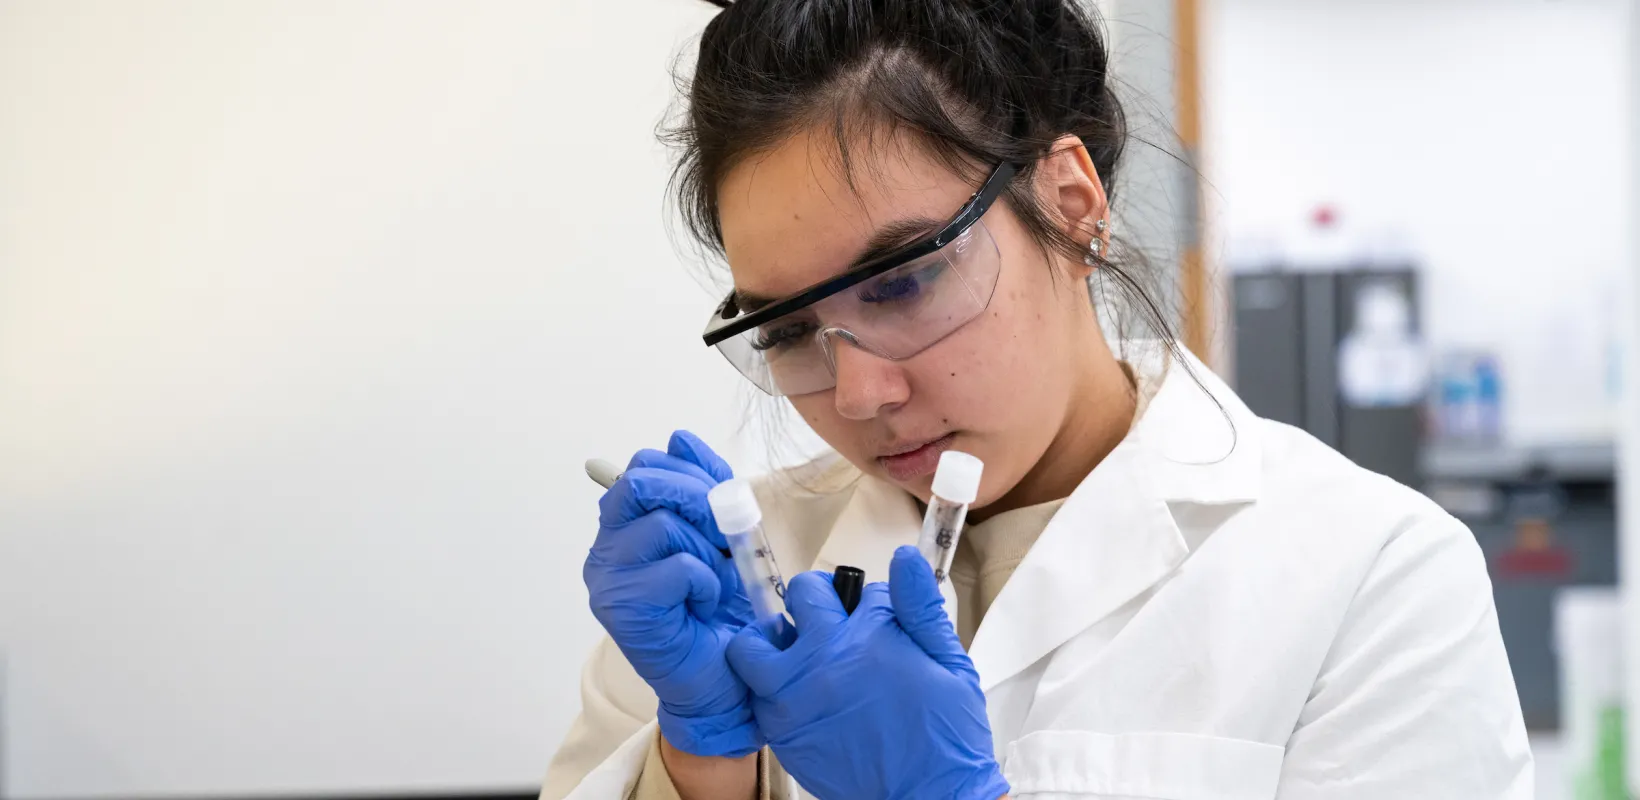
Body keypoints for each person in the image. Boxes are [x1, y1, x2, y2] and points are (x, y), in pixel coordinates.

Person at [542, 1, 1532, 798]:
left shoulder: (1371, 577)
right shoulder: (717, 600)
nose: (859, 391)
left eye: (900, 282)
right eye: (790, 329)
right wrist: (698, 768)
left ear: (1069, 206)